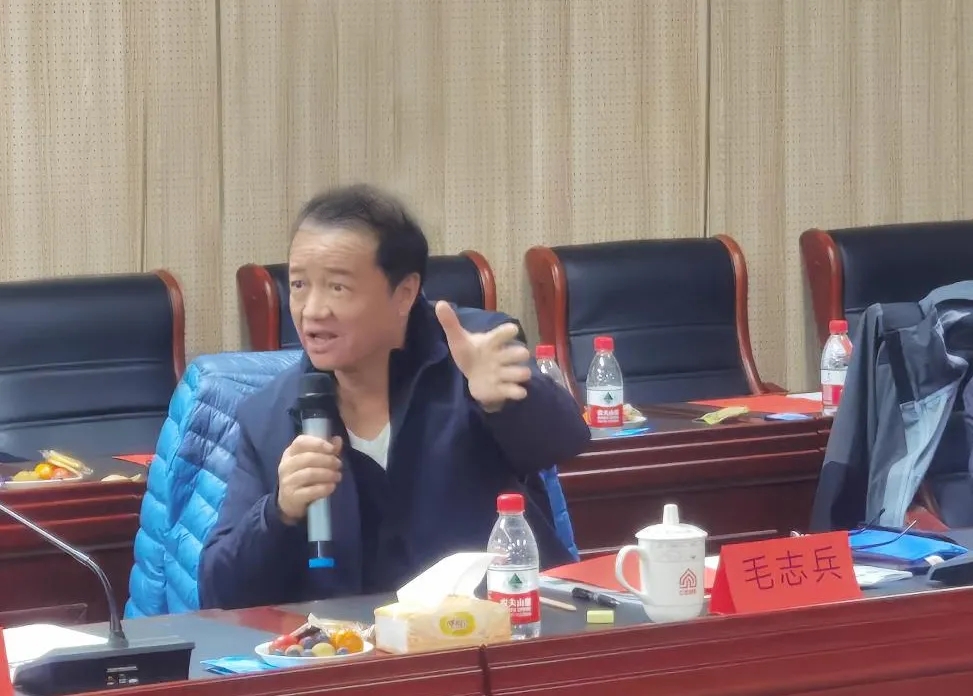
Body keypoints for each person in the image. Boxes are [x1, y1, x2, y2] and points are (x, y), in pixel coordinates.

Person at [198, 184, 591, 609]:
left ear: (404, 293)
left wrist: (507, 401)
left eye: (338, 288)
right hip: (353, 643)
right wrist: (278, 512)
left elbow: (567, 442)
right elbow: (218, 591)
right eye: (298, 285)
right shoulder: (270, 416)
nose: (312, 310)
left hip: (494, 625)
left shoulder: (473, 351)